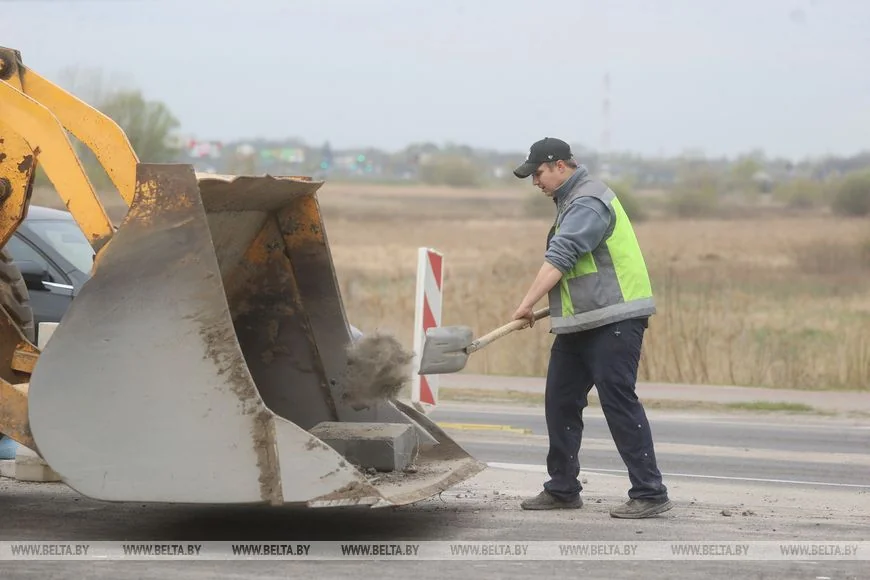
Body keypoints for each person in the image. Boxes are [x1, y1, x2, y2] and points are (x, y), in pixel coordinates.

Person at [510, 137, 672, 519]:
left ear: (560, 166)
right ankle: (563, 488)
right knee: (560, 402)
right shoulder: (570, 201)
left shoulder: (587, 201)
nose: (535, 182)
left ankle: (650, 491)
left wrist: (526, 303)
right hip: (582, 323)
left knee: (618, 401)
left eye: (538, 173)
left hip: (614, 319)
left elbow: (562, 255)